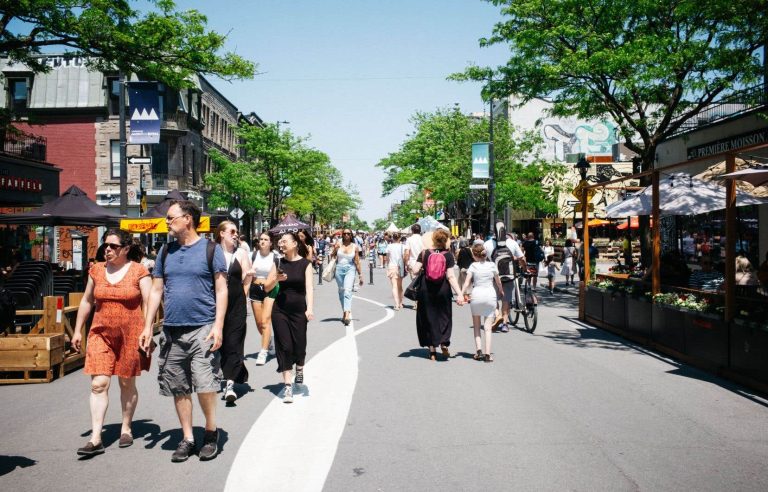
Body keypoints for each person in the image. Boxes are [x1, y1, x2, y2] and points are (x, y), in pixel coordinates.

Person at [140, 200, 228, 463]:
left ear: (187, 219)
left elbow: (222, 289)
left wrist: (218, 326)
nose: (167, 222)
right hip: (172, 331)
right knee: (178, 387)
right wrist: (147, 326)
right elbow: (156, 291)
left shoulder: (211, 250)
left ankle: (211, 433)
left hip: (203, 328)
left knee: (205, 384)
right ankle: (188, 437)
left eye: (170, 218)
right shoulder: (165, 252)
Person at [72, 229, 151, 456]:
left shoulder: (139, 271)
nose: (107, 249)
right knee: (99, 383)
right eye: (105, 245)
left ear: (125, 249)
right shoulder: (96, 270)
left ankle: (126, 427)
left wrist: (147, 331)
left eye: (113, 246)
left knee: (126, 383)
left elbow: (148, 302)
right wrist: (77, 330)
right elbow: (87, 301)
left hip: (131, 334)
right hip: (100, 333)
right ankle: (96, 437)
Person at [272, 232, 314, 404]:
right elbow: (267, 285)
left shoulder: (305, 264)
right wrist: (276, 279)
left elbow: (309, 288)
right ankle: (287, 385)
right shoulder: (278, 262)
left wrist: (309, 309)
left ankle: (300, 367)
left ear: (295, 244)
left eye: (285, 241)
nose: (282, 244)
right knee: (284, 346)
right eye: (280, 241)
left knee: (300, 345)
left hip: (299, 310)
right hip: (279, 310)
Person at [412, 229, 465, 361]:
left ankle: (432, 351)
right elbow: (451, 276)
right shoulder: (448, 255)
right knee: (444, 316)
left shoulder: (424, 253)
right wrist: (459, 294)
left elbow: (415, 270)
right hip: (443, 289)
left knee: (428, 318)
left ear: (433, 240)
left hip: (426, 289)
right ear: (446, 240)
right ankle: (444, 342)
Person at [215, 221, 252, 403]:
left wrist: (243, 298)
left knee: (234, 342)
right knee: (221, 344)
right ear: (221, 233)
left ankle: (229, 384)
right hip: (215, 305)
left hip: (237, 305)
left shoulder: (242, 253)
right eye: (232, 231)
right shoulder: (213, 252)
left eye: (237, 232)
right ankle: (233, 371)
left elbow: (247, 277)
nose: (236, 234)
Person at [462, 243, 503, 363]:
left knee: (476, 326)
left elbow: (467, 282)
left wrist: (461, 293)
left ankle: (478, 351)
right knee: (488, 328)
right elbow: (498, 281)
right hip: (490, 295)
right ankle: (487, 354)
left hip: (477, 295)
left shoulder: (473, 266)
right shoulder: (492, 265)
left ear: (474, 255)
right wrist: (501, 290)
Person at [249, 232, 278, 366]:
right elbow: (246, 274)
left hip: (269, 289)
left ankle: (263, 351)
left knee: (266, 321)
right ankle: (270, 341)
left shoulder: (276, 256)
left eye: (266, 239)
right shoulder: (253, 255)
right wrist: (249, 272)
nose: (262, 241)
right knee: (259, 323)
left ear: (271, 242)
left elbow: (279, 274)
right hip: (255, 289)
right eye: (261, 239)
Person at [332, 229, 363, 325]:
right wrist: (335, 249)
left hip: (350, 269)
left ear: (351, 235)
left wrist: (360, 275)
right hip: (339, 269)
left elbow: (357, 261)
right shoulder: (338, 244)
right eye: (344, 233)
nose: (346, 235)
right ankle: (344, 312)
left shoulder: (355, 247)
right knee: (341, 291)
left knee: (347, 290)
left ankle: (347, 314)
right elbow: (333, 256)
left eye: (348, 233)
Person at [386, 232, 405, 310]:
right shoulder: (403, 246)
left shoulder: (389, 246)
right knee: (400, 286)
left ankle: (396, 304)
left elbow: (387, 257)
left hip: (392, 266)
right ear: (400, 238)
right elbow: (404, 256)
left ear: (392, 238)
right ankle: (400, 303)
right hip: (400, 267)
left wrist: (388, 264)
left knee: (394, 286)